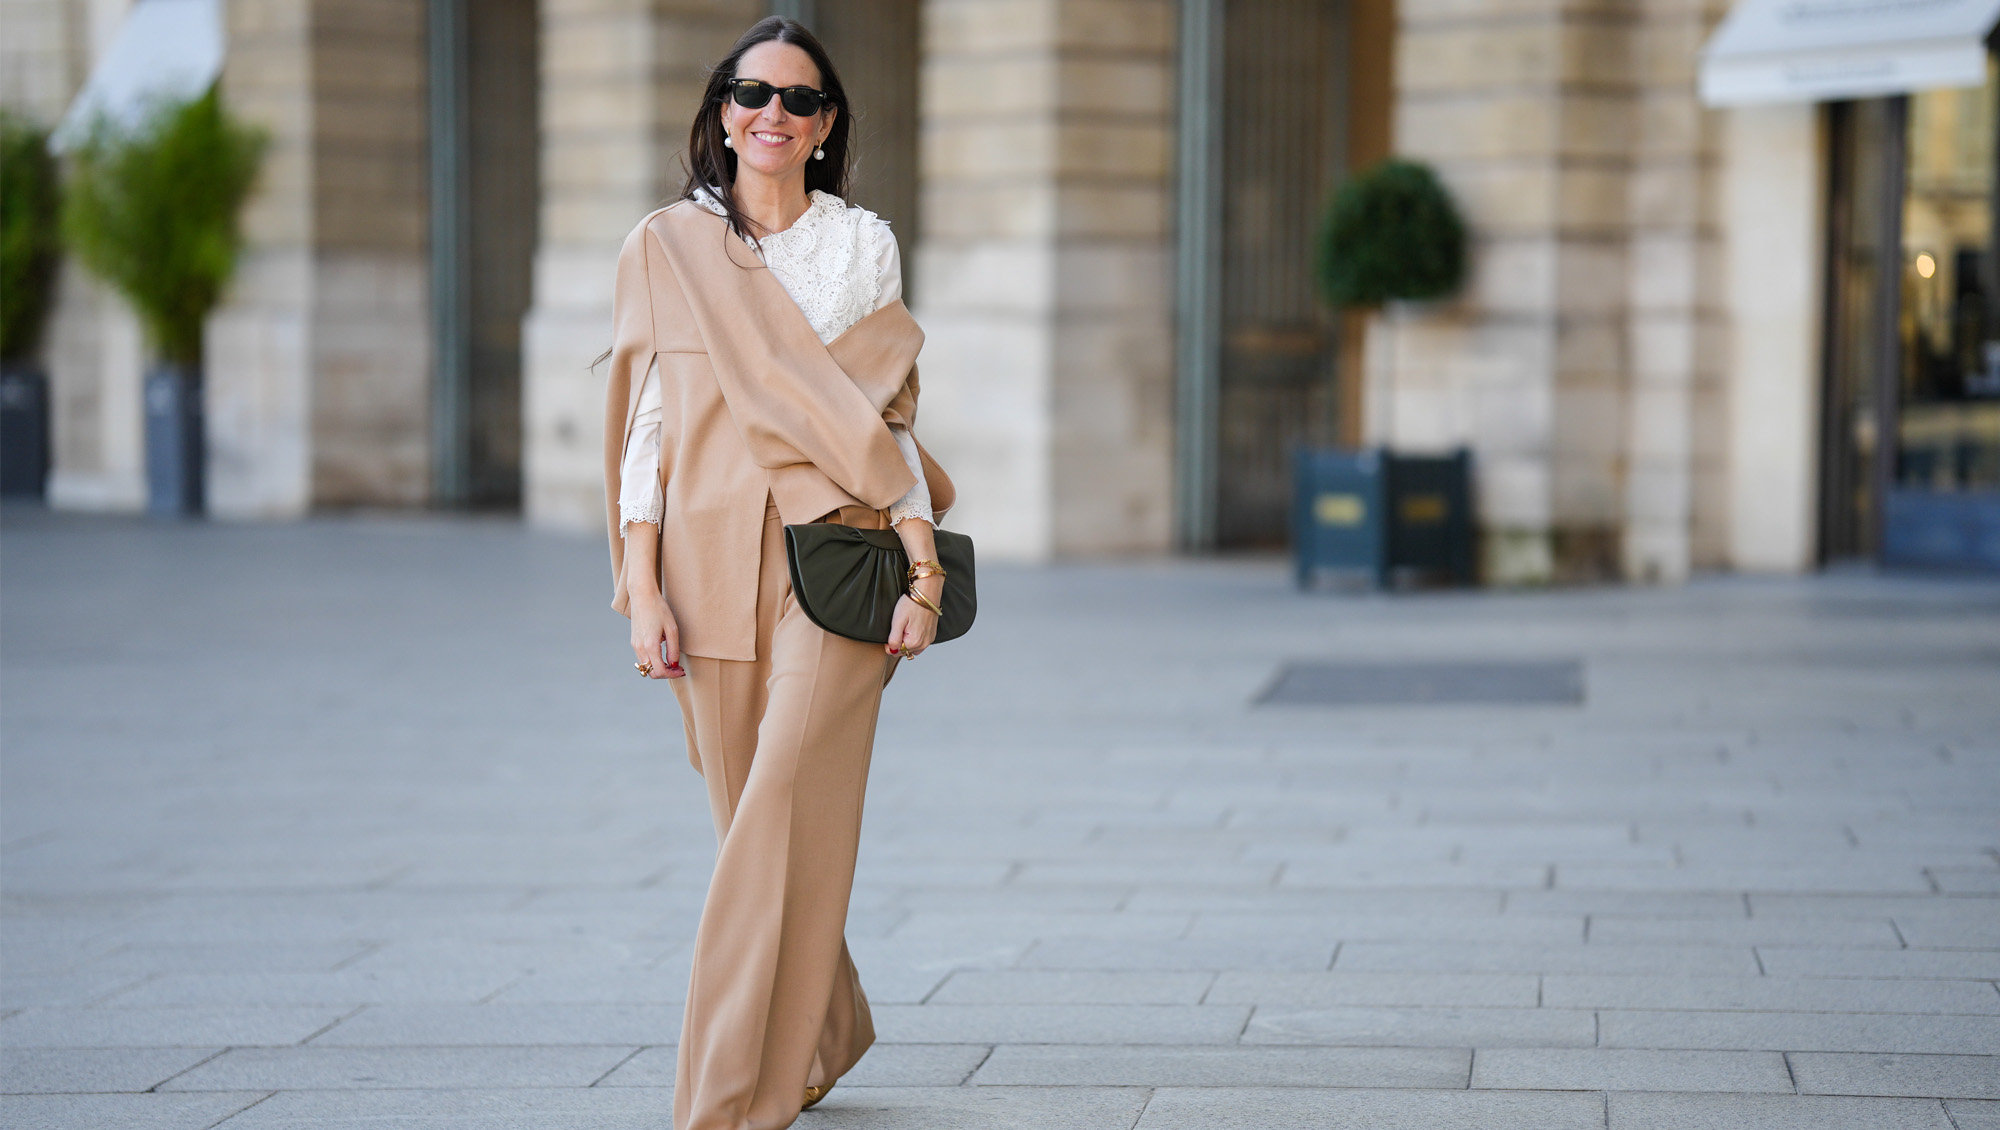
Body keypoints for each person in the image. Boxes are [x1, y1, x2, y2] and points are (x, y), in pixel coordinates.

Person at [600, 16, 953, 1130]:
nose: (773, 113)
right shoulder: (666, 246)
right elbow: (646, 428)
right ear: (721, 111)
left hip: (839, 551)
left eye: (799, 99)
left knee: (780, 804)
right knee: (747, 815)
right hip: (704, 561)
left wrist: (924, 566)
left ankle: (727, 1099)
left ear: (825, 124)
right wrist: (641, 586)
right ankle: (826, 1030)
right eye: (752, 92)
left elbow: (885, 417)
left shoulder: (861, 246)